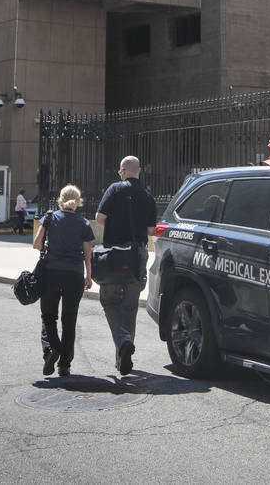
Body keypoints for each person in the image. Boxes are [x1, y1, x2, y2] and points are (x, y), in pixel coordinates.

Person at [95, 156, 157, 375]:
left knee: (110, 302)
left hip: (114, 255)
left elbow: (99, 217)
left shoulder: (114, 189)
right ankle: (124, 355)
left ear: (122, 171)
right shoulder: (148, 195)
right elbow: (151, 231)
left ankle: (122, 342)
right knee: (130, 307)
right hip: (137, 255)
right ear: (138, 171)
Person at [32, 184, 94, 377]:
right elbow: (87, 254)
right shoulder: (83, 223)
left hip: (51, 273)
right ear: (77, 203)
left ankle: (51, 350)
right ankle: (64, 365)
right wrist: (89, 276)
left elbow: (36, 244)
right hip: (74, 276)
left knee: (48, 316)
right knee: (69, 320)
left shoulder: (50, 218)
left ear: (60, 201)